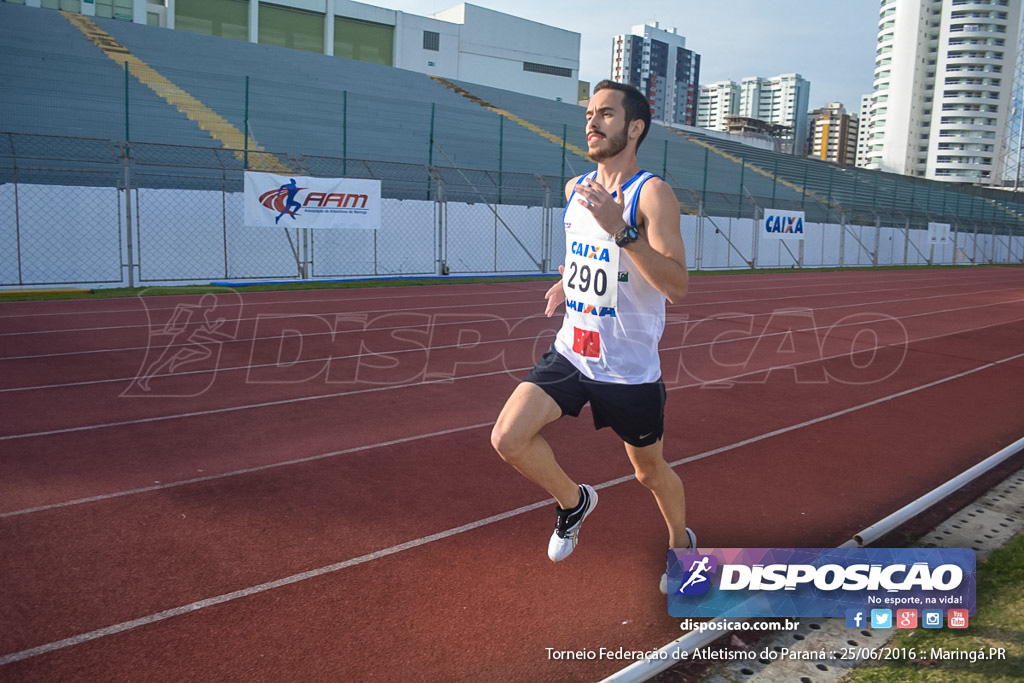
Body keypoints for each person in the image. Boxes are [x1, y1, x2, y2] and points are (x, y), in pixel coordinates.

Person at [491, 80, 694, 593]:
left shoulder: (652, 194)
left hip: (628, 369)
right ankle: (574, 501)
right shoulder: (574, 189)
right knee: (508, 438)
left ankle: (682, 546)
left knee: (649, 474)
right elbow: (591, 255)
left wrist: (621, 229)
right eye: (590, 113)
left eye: (606, 113)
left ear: (635, 127)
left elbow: (677, 285)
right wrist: (567, 280)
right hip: (573, 350)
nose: (592, 122)